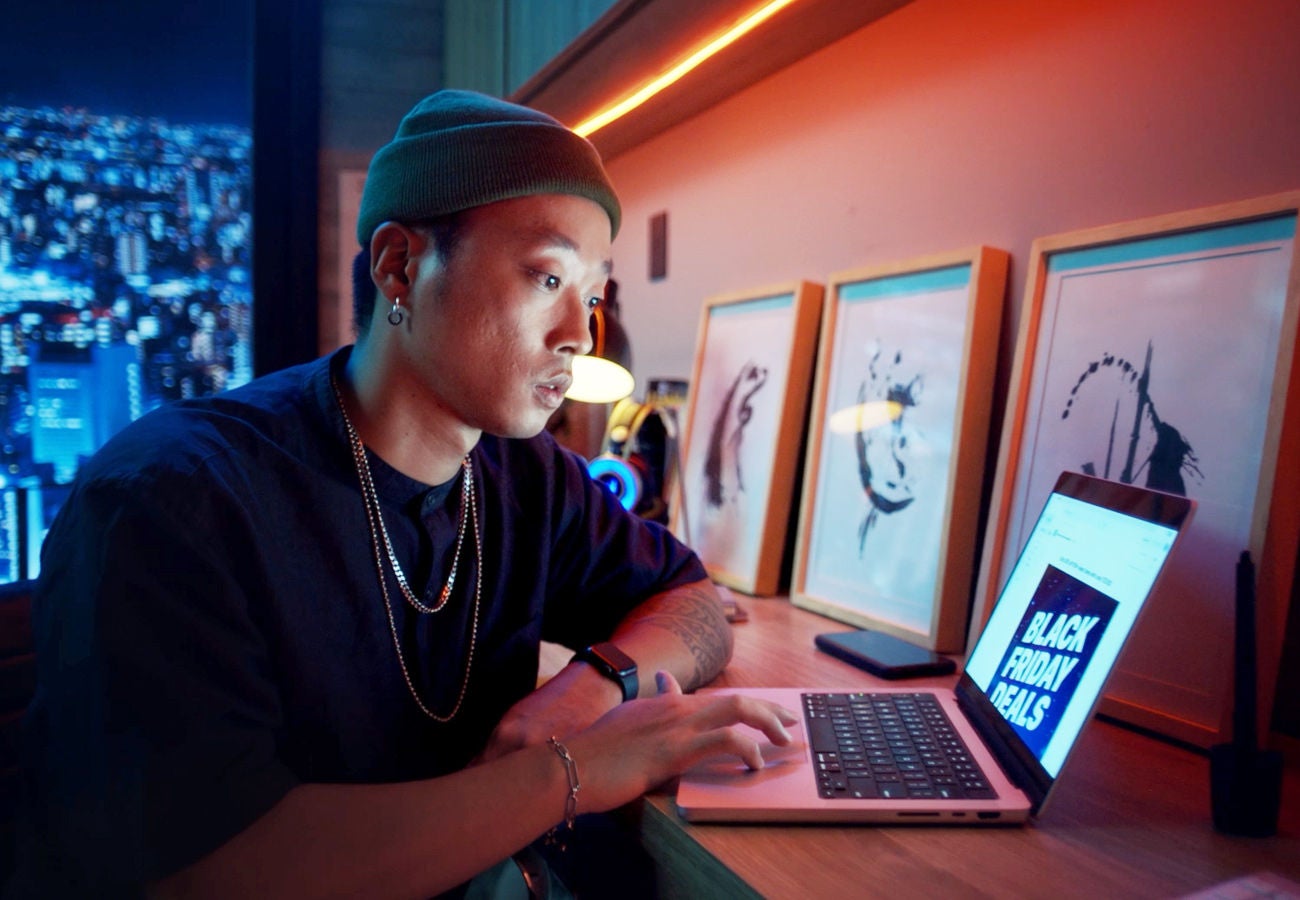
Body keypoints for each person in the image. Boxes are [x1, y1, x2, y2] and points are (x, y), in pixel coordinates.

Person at [10, 89, 796, 898]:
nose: (577, 333)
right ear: (399, 266)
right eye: (547, 277)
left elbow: (692, 600)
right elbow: (210, 870)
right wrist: (576, 771)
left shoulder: (522, 473)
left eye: (590, 296)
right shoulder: (174, 501)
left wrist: (591, 687)